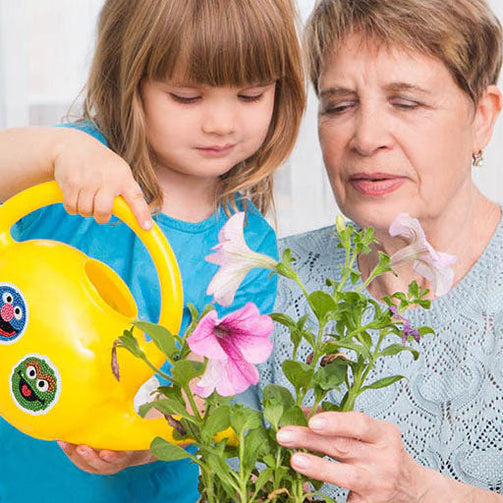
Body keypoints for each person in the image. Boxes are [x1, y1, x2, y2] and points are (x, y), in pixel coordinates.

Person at [0, 0, 305, 502]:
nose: (222, 123)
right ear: (130, 82)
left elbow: (217, 395)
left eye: (251, 95)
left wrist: (143, 442)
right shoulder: (74, 167)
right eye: (187, 96)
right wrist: (56, 151)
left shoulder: (247, 247)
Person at [254, 0, 503, 500]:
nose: (365, 138)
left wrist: (419, 491)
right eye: (340, 105)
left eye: (406, 102)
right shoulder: (267, 276)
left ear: (482, 117)